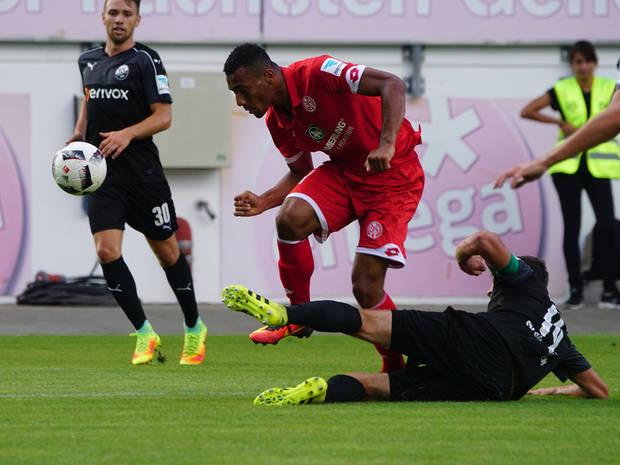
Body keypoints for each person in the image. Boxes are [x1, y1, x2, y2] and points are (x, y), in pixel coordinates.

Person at [221, 231, 608, 405]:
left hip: (480, 340)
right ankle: (321, 391)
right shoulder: (561, 339)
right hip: (496, 389)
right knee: (380, 387)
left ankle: (283, 313)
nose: (490, 290)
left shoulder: (523, 281)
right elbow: (598, 390)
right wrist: (549, 390)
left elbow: (485, 241)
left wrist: (463, 257)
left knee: (367, 322)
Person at [223, 44, 424, 373]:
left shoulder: (319, 73)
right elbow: (300, 172)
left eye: (242, 90)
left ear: (269, 76)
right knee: (290, 218)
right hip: (346, 172)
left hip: (393, 177)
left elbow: (393, 84)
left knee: (365, 286)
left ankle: (394, 363)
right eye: (235, 93)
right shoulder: (277, 122)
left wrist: (386, 144)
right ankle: (299, 315)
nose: (240, 102)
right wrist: (264, 200)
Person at [67, 0, 207, 365]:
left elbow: (164, 116)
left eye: (126, 14)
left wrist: (127, 134)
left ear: (137, 20)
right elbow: (88, 99)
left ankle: (194, 326)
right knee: (106, 251)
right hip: (103, 175)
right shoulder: (88, 61)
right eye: (113, 12)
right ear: (103, 16)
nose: (119, 19)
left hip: (143, 176)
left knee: (168, 253)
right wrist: (79, 133)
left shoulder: (146, 61)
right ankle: (145, 333)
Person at [503, 40, 620, 310]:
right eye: (578, 61)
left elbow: (613, 117)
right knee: (572, 226)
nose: (583, 66)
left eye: (587, 61)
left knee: (608, 225)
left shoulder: (608, 86)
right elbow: (528, 110)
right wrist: (559, 122)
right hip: (567, 167)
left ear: (595, 63)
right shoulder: (563, 88)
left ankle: (610, 288)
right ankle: (576, 289)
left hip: (598, 166)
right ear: (572, 64)